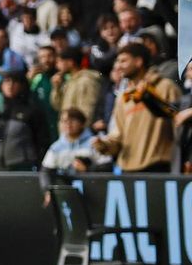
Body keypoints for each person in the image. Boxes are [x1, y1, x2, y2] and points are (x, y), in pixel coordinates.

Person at [91, 43, 183, 173]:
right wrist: (104, 145)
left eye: (123, 61)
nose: (118, 66)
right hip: (128, 172)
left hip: (159, 168)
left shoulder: (166, 87)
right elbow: (118, 136)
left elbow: (179, 126)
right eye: (117, 61)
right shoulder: (123, 97)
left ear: (138, 62)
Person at [0, 71, 49, 172]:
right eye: (7, 81)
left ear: (22, 85)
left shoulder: (32, 110)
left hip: (23, 166)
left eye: (15, 82)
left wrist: (40, 166)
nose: (10, 85)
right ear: (1, 85)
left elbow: (42, 141)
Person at [41, 109, 111, 174]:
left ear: (82, 123)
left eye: (72, 120)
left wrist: (87, 169)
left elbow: (107, 167)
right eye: (64, 121)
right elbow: (46, 172)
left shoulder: (95, 142)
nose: (68, 124)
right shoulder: (56, 147)